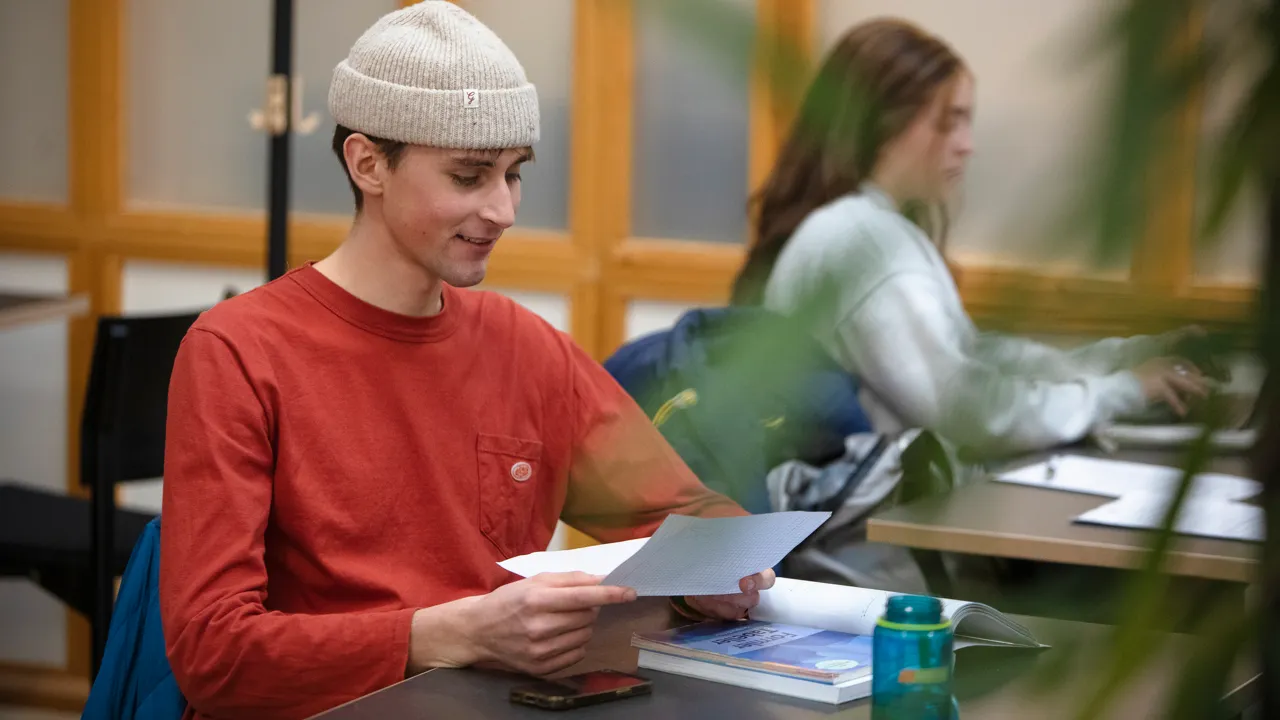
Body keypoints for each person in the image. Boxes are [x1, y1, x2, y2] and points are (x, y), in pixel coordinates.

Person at [159, 4, 771, 719]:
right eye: (470, 174)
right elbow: (213, 654)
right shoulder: (240, 353)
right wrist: (440, 633)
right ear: (367, 164)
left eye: (514, 174)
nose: (504, 209)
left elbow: (683, 513)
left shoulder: (525, 347)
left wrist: (716, 571)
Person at [730, 18, 1210, 458]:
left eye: (968, 121)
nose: (967, 144)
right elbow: (971, 409)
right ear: (881, 122)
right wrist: (1124, 390)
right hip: (872, 544)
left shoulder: (865, 226)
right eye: (947, 121)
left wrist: (1125, 358)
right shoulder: (863, 242)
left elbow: (975, 358)